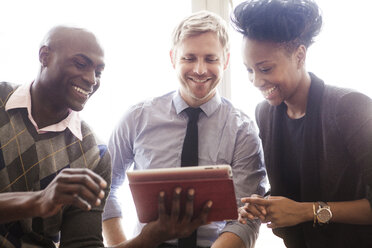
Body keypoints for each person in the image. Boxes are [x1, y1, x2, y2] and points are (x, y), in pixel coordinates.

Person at [0, 26, 211, 248]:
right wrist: (39, 201)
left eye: (98, 72)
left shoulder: (94, 154)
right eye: (81, 64)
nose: (92, 79)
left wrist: (150, 238)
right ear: (45, 56)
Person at [102, 10, 268, 248]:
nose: (200, 70)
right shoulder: (137, 117)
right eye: (189, 58)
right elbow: (104, 187)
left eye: (210, 59)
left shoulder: (243, 130)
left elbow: (247, 214)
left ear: (226, 61)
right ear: (173, 58)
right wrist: (126, 245)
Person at [231, 0, 372, 247]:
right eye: (249, 70)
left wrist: (309, 212)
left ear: (299, 55)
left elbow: (302, 206)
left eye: (265, 68)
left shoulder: (350, 107)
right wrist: (262, 205)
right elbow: (299, 188)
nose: (256, 81)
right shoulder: (265, 113)